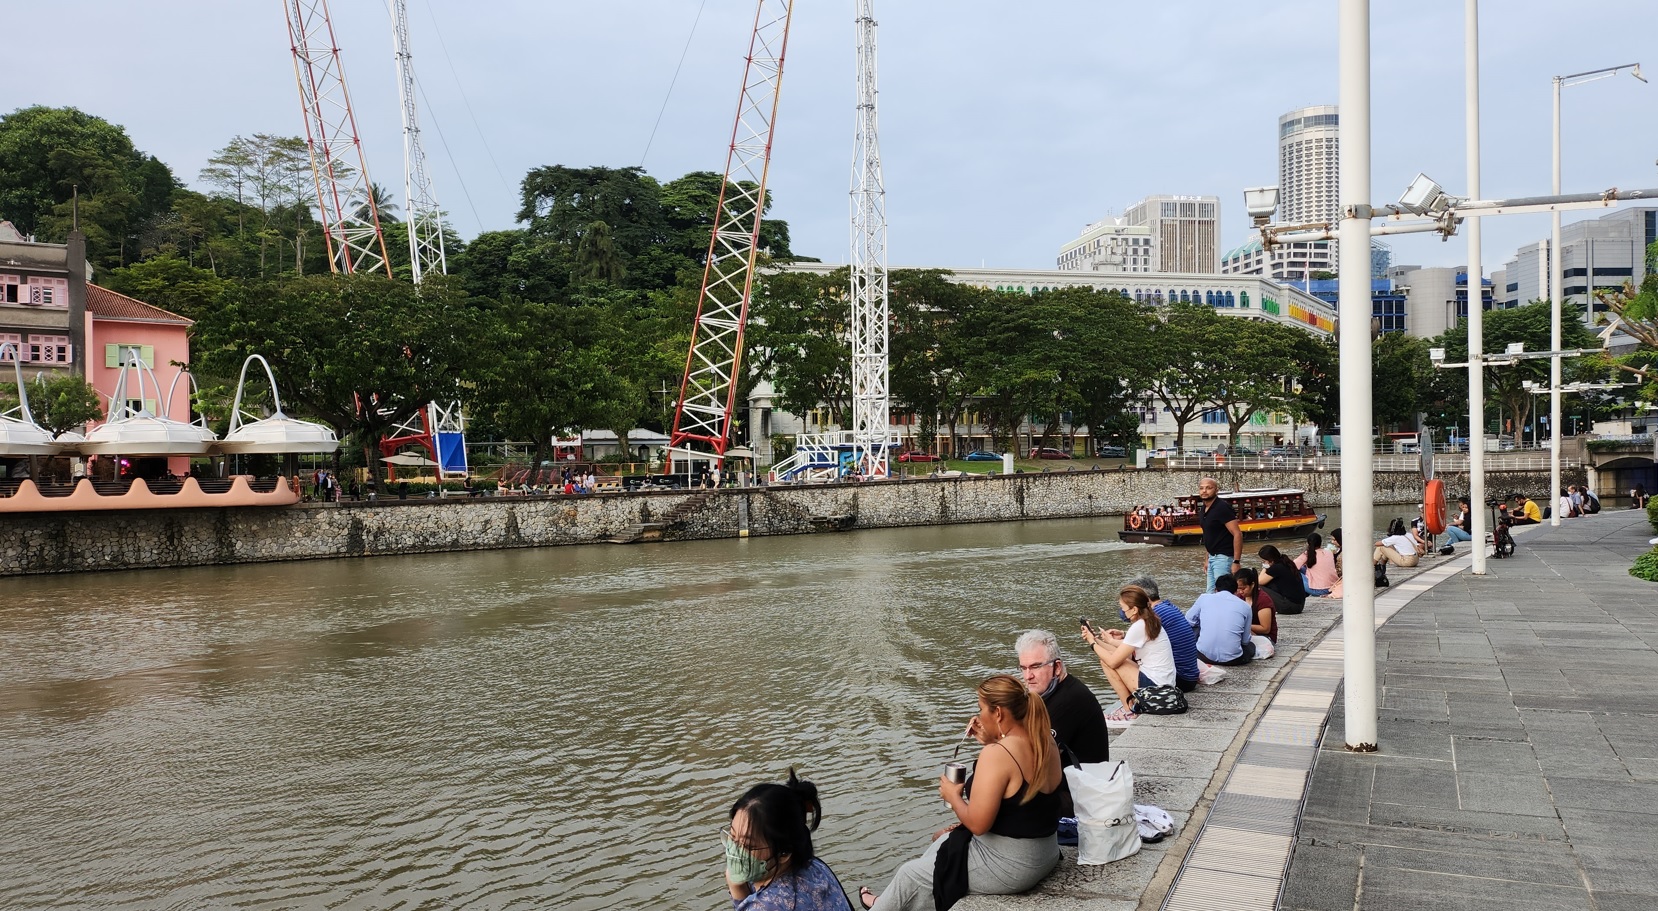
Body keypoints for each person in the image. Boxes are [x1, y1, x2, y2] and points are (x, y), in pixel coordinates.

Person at [860, 676, 1062, 911]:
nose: (979, 714)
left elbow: (978, 824)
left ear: (997, 713)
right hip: (1046, 851)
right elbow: (1021, 800)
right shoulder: (1044, 739)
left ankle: (885, 905)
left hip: (1014, 864)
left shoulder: (997, 754)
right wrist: (993, 739)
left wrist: (953, 796)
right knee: (944, 842)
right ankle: (889, 903)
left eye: (981, 708)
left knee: (910, 874)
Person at [722, 769, 850, 911]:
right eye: (732, 837)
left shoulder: (768, 905)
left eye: (747, 845)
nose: (734, 850)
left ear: (783, 853)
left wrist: (736, 889)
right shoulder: (815, 868)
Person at [1080, 586, 1177, 726]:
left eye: (1124, 608)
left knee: (1106, 662)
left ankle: (1129, 711)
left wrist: (1091, 642)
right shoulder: (1151, 620)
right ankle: (1132, 705)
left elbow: (1113, 661)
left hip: (1155, 688)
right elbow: (1118, 652)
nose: (1122, 612)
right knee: (1114, 658)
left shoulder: (1139, 626)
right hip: (1164, 685)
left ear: (1134, 609)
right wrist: (1096, 639)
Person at [1014, 630, 1109, 764]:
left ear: (1057, 667)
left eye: (1035, 667)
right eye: (1023, 668)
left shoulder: (1072, 700)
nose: (1027, 676)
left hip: (1080, 781)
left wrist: (994, 737)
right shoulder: (1054, 692)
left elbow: (1033, 758)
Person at [1122, 575, 1200, 692]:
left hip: (1179, 679)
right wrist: (1124, 634)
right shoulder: (1167, 607)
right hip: (1189, 676)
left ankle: (1132, 702)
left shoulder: (1154, 615)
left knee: (1120, 660)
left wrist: (1096, 642)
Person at [1184, 574, 1255, 666]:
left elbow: (1188, 620)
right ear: (1235, 591)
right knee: (1251, 647)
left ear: (1215, 589)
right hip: (1233, 659)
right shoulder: (1245, 606)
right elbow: (1245, 641)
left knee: (1194, 628)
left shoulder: (1203, 598)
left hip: (1203, 656)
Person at [1196, 477, 1243, 592]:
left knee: (1223, 592)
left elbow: (1237, 534)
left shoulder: (1222, 507)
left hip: (1224, 557)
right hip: (1212, 556)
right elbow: (1209, 535)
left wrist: (1236, 561)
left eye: (1208, 488)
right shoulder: (1204, 509)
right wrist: (1207, 559)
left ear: (1216, 490)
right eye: (1201, 488)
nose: (1204, 491)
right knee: (1210, 593)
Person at [1255, 545, 1306, 616]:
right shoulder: (1286, 563)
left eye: (1264, 561)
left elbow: (1259, 581)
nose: (1263, 562)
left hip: (1290, 606)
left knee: (1257, 587)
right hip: (1299, 605)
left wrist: (1265, 567)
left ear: (1271, 560)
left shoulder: (1276, 568)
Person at [1233, 567, 1278, 645]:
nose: (1240, 592)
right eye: (1238, 589)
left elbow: (1265, 628)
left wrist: (1243, 626)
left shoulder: (1263, 600)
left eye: (1243, 588)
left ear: (1252, 585)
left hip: (1265, 637)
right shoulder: (1240, 597)